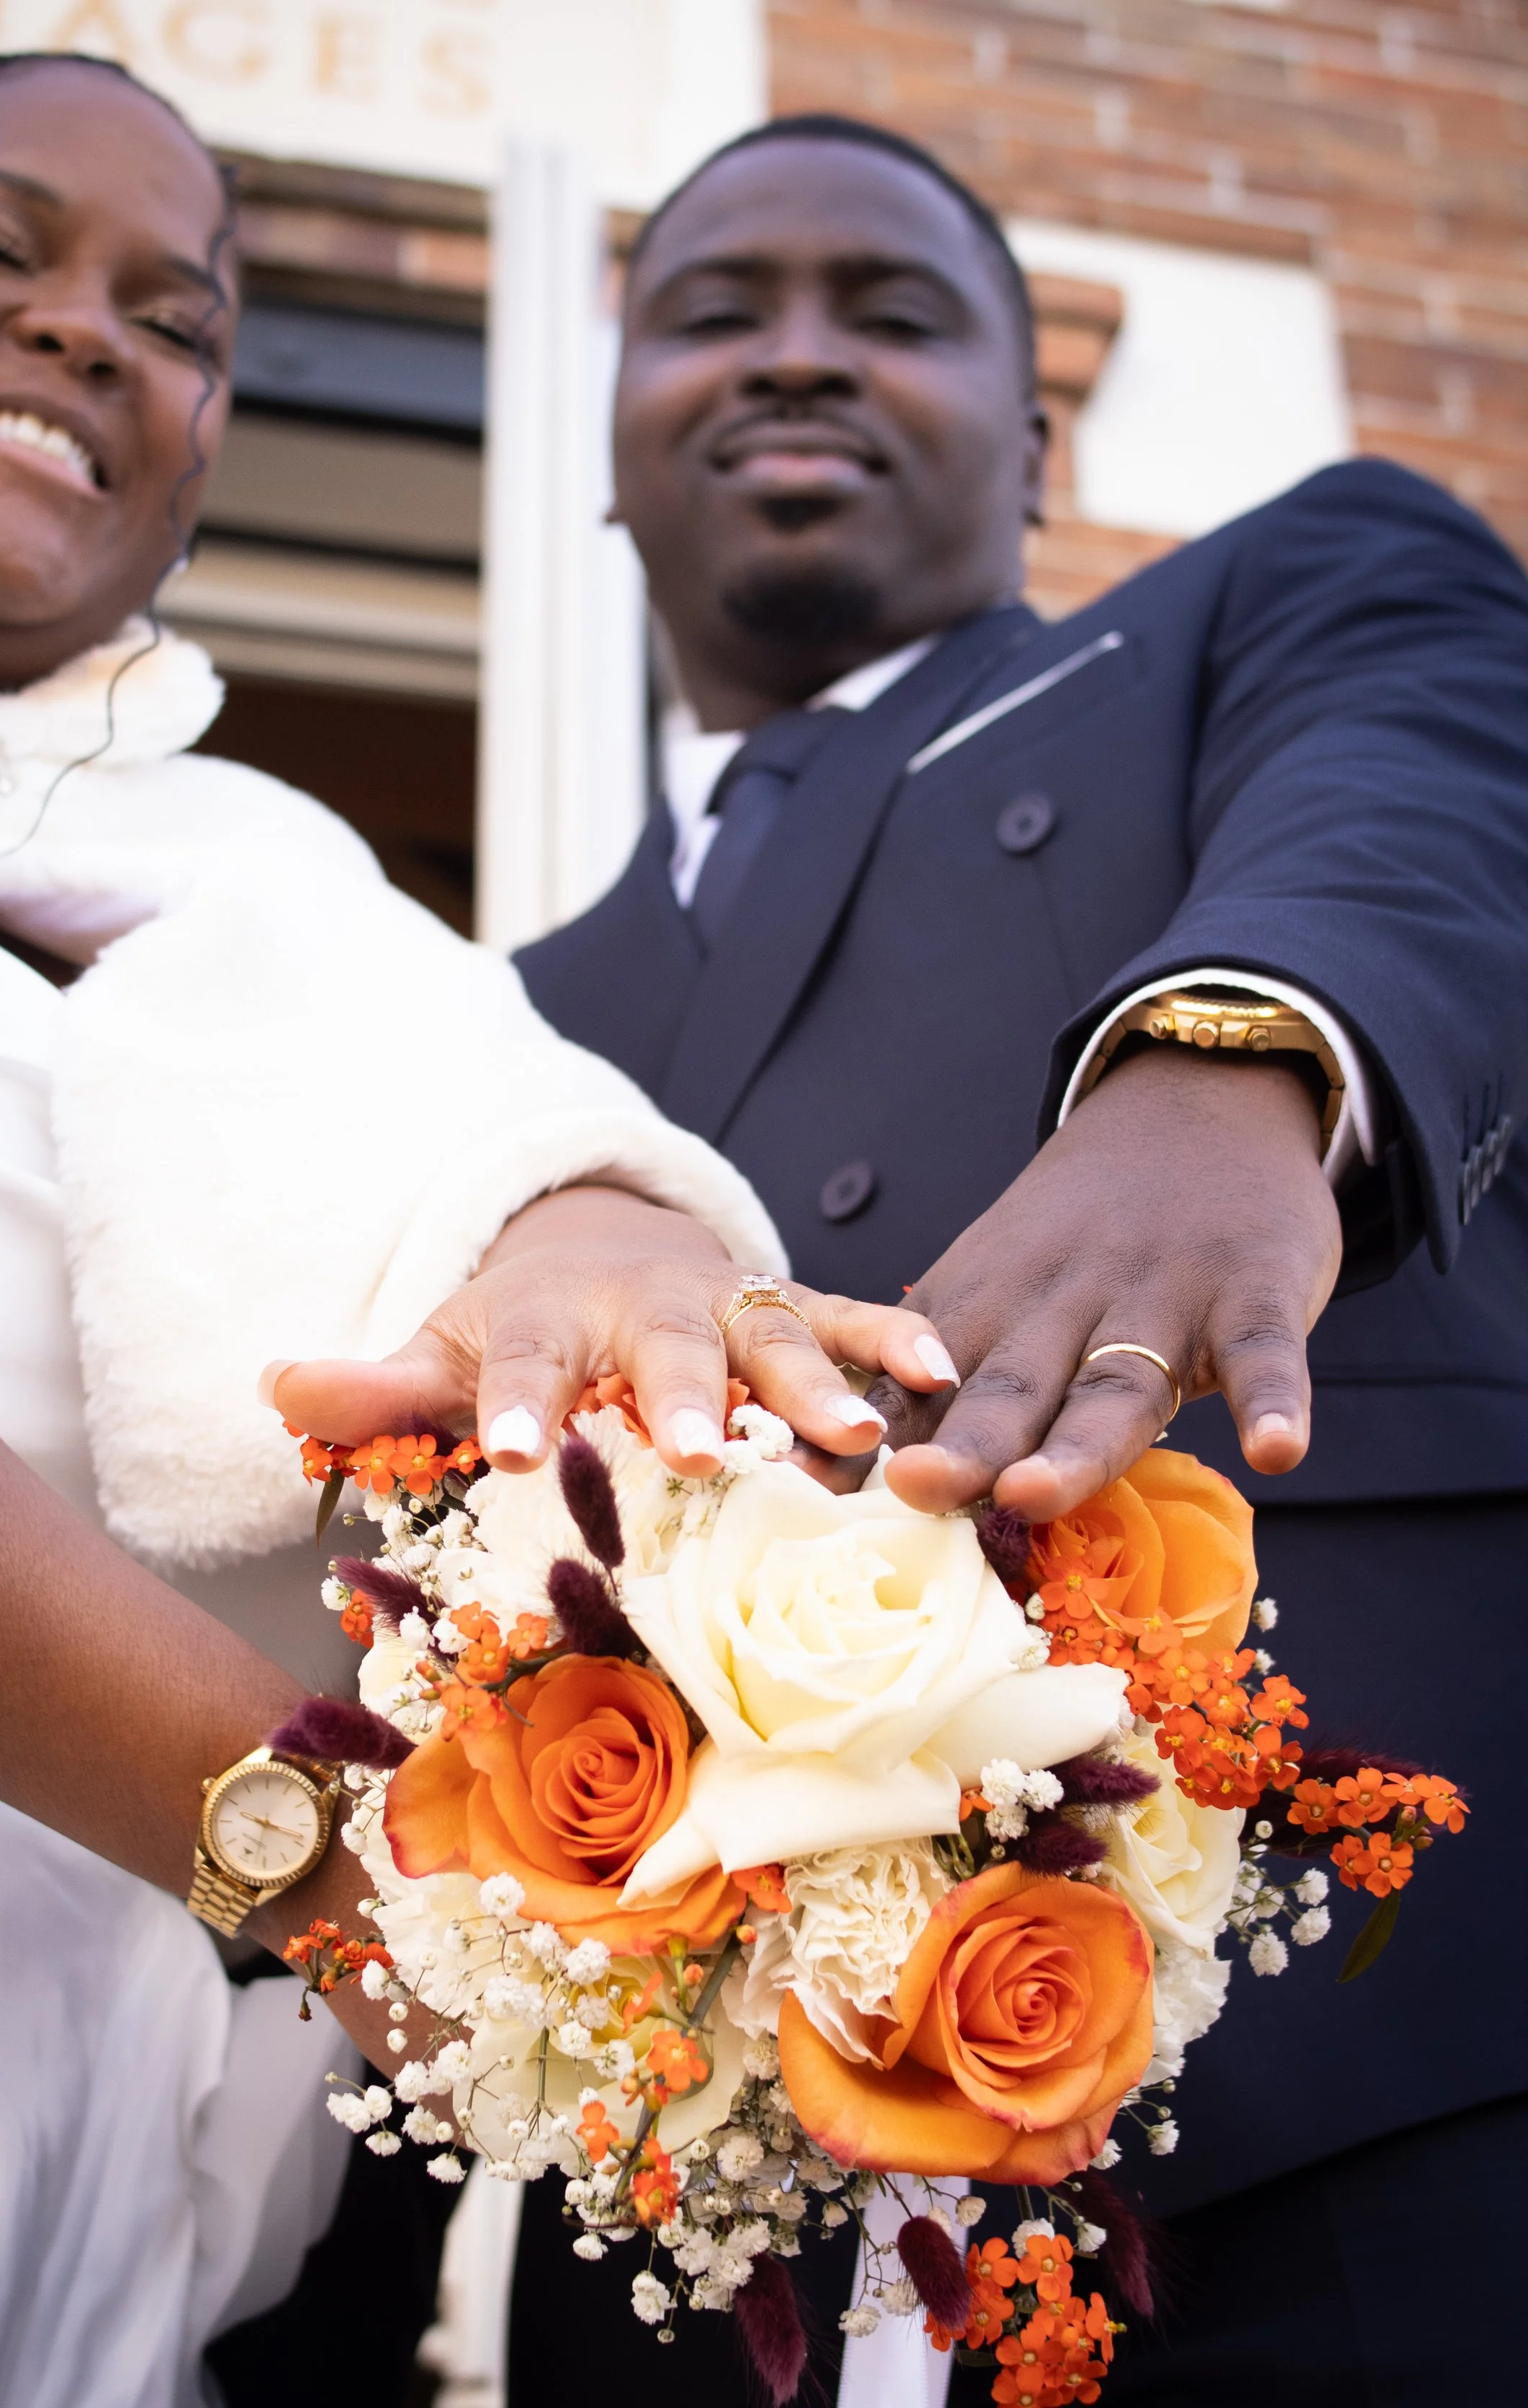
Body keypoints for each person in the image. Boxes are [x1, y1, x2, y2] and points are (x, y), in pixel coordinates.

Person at [0, 65, 944, 2408]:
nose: (89, 330)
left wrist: (592, 1221)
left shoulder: (255, 886)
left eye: (174, 318)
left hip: (76, 2180)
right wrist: (313, 1850)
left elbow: (505, 1147)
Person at [516, 112, 1528, 2405]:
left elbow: (1425, 778)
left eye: (888, 315)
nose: (795, 355)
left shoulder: (1270, 606)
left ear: (1038, 434)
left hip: (1379, 2103)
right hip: (698, 2267)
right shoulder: (502, 1009)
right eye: (711, 311)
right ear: (600, 454)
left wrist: (1231, 1057)